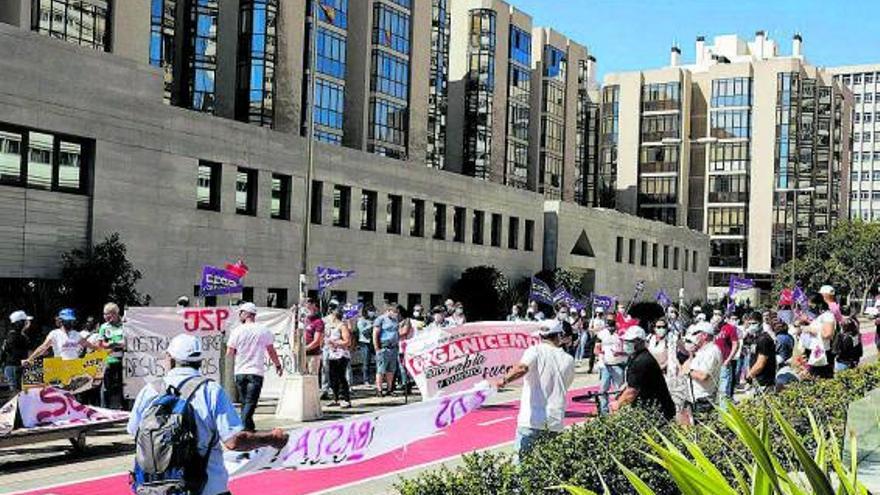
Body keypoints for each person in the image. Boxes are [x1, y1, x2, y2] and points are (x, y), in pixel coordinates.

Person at [128, 334, 288, 495]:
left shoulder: (150, 390)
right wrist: (271, 438)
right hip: (207, 487)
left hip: (154, 488)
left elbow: (134, 432)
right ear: (200, 362)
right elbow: (234, 441)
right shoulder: (210, 390)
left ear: (170, 359)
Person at [491, 321, 574, 458]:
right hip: (554, 421)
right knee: (549, 468)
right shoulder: (568, 359)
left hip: (532, 420)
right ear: (558, 336)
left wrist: (504, 380)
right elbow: (566, 384)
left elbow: (522, 368)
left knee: (521, 467)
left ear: (541, 336)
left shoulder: (535, 350)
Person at [226, 302, 282, 432]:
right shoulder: (263, 330)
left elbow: (229, 352)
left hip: (240, 371)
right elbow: (271, 350)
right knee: (250, 402)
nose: (239, 315)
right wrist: (278, 364)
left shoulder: (237, 331)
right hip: (256, 371)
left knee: (245, 402)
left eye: (240, 312)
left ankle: (248, 428)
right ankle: (244, 427)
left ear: (246, 314)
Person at [615, 326, 675, 421]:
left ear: (640, 342)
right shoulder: (636, 357)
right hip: (649, 408)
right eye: (626, 341)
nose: (627, 344)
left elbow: (632, 392)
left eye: (630, 341)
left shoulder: (642, 361)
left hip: (657, 411)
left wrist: (617, 404)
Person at [25, 308, 100, 363]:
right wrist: (30, 359)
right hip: (60, 368)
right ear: (61, 321)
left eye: (71, 321)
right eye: (67, 321)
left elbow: (90, 345)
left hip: (75, 368)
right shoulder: (54, 334)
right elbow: (43, 348)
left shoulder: (76, 334)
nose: (70, 323)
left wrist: (104, 351)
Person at [681, 322, 721, 419]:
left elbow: (703, 376)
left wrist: (689, 372)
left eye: (695, 334)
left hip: (704, 400)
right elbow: (684, 368)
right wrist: (691, 353)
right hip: (693, 398)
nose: (693, 337)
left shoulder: (711, 351)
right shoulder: (701, 351)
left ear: (704, 335)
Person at [594, 314, 625, 415]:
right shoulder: (601, 334)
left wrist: (621, 353)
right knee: (603, 389)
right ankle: (604, 412)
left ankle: (619, 411)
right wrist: (600, 354)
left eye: (612, 321)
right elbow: (596, 349)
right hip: (605, 366)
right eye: (608, 320)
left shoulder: (622, 333)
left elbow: (627, 349)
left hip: (618, 365)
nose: (609, 323)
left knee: (619, 390)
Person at [97, 303, 125, 409]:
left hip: (123, 360)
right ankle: (105, 408)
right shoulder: (104, 327)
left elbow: (128, 341)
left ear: (115, 314)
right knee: (106, 386)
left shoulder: (124, 325)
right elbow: (100, 344)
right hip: (109, 360)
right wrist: (109, 344)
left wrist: (118, 344)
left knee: (123, 385)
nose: (106, 317)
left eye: (108, 315)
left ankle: (124, 407)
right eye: (104, 315)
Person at [324, 308, 352, 408]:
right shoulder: (330, 326)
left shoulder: (342, 326)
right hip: (332, 354)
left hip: (341, 354)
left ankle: (346, 399)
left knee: (341, 377)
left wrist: (335, 343)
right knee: (332, 377)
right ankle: (335, 398)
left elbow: (347, 342)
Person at [372, 303, 400, 396]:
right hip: (383, 347)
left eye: (397, 312)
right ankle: (379, 389)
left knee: (391, 370)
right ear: (388, 311)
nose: (396, 314)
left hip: (393, 347)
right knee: (381, 370)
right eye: (394, 312)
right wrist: (377, 347)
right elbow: (375, 334)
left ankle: (389, 389)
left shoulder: (395, 320)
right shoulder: (380, 319)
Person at [2, 310, 32, 391]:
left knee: (21, 394)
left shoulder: (13, 334)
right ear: (19, 323)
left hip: (14, 367)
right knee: (17, 395)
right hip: (15, 368)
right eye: (25, 321)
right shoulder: (16, 337)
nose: (28, 323)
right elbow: (17, 354)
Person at [716, 314, 741, 403]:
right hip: (713, 364)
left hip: (724, 362)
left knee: (724, 389)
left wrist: (728, 360)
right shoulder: (712, 328)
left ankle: (724, 413)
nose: (716, 317)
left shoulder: (730, 328)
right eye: (714, 314)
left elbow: (735, 344)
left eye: (718, 314)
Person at [302, 298, 324, 376]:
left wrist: (305, 348)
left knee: (312, 378)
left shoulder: (318, 322)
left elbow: (317, 341)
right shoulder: (303, 321)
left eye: (309, 306)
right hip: (302, 356)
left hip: (312, 355)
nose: (307, 309)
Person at [356, 305, 376, 386]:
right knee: (366, 362)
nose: (372, 312)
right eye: (370, 310)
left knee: (377, 361)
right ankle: (366, 379)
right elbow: (363, 331)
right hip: (365, 342)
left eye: (373, 310)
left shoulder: (375, 319)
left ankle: (376, 378)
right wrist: (372, 325)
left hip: (374, 342)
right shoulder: (361, 320)